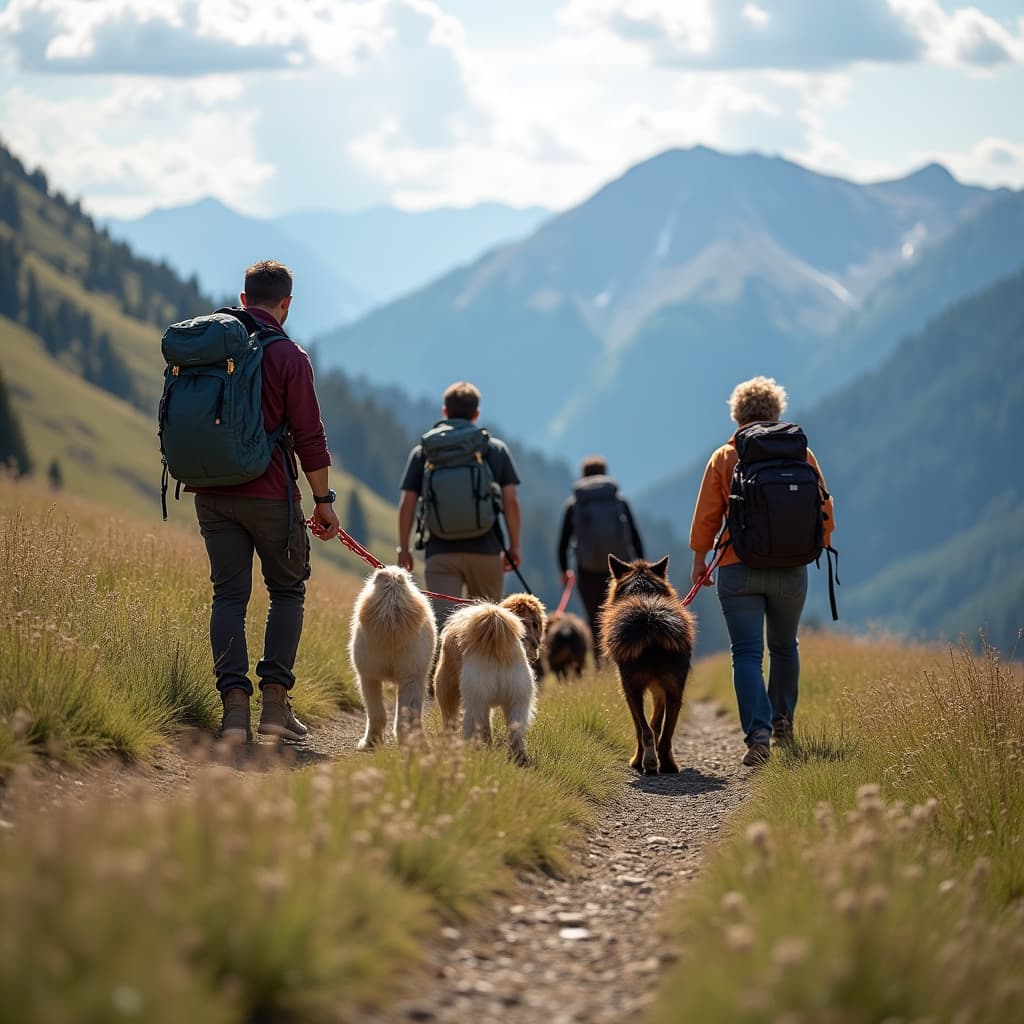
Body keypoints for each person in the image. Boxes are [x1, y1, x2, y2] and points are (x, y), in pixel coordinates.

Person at [190, 260, 340, 744]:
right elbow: (310, 437)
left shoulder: (210, 348)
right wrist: (323, 501)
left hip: (211, 493)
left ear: (241, 298)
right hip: (270, 493)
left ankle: (233, 713)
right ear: (286, 304)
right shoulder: (289, 357)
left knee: (228, 596)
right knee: (287, 590)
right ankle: (274, 706)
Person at [689, 376, 834, 767]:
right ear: (776, 412)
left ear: (737, 413)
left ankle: (759, 736)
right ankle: (783, 719)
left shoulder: (725, 456)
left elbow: (707, 517)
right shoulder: (801, 454)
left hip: (739, 568)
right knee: (785, 647)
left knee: (747, 654)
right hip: (791, 570)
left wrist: (700, 561)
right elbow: (825, 512)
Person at [397, 381, 521, 629]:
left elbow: (407, 505)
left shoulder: (425, 452)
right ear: (476, 414)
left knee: (445, 627)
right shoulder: (494, 449)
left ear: (445, 411)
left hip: (441, 552)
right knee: (486, 629)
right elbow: (510, 502)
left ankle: (444, 669)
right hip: (486, 551)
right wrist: (514, 547)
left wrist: (404, 548)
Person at [556, 455, 644, 652]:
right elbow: (635, 537)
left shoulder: (575, 505)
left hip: (586, 568)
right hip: (621, 570)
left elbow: (563, 542)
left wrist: (564, 570)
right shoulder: (619, 501)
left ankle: (599, 662)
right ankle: (623, 655)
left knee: (594, 617)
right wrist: (641, 566)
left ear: (583, 475)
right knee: (622, 614)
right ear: (605, 474)